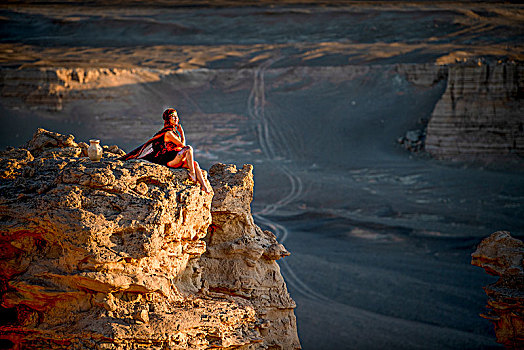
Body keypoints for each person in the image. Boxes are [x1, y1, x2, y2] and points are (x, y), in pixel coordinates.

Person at [120, 108, 211, 193]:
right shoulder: (168, 133)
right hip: (170, 160)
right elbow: (182, 146)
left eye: (176, 116)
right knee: (189, 148)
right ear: (168, 119)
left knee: (195, 164)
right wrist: (182, 134)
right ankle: (192, 173)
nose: (176, 118)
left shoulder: (174, 132)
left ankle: (204, 186)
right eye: (173, 117)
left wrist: (182, 134)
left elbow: (180, 147)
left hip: (176, 158)